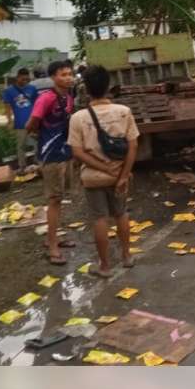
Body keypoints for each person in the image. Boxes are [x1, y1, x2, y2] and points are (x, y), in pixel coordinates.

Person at [68, 65, 140, 277]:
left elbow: (77, 152)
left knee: (99, 219)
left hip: (93, 178)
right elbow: (133, 146)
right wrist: (123, 175)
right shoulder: (123, 112)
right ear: (108, 86)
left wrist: (102, 167)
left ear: (87, 89)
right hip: (119, 175)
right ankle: (127, 257)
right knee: (121, 213)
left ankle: (105, 266)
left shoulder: (78, 117)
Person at [26, 61, 75, 265]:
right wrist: (41, 136)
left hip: (65, 152)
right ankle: (53, 246)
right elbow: (31, 123)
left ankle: (53, 237)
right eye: (63, 74)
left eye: (70, 74)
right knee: (54, 200)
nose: (68, 77)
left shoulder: (69, 98)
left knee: (59, 198)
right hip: (51, 155)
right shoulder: (46, 98)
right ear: (53, 77)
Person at [2, 68, 38, 174]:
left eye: (27, 79)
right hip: (20, 123)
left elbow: (37, 104)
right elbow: (7, 106)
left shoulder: (32, 88)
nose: (25, 81)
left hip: (32, 121)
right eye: (23, 79)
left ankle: (37, 165)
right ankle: (22, 166)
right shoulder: (9, 91)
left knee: (37, 143)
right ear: (17, 77)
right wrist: (9, 120)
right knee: (21, 145)